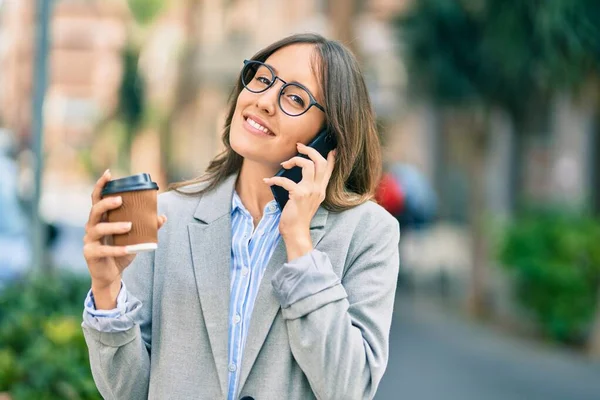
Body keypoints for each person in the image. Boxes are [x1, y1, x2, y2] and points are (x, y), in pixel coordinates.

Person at [81, 33, 400, 400]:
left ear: (329, 137)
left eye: (295, 97)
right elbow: (128, 393)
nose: (264, 101)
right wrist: (106, 290)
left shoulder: (368, 233)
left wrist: (299, 243)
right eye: (263, 79)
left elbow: (349, 389)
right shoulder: (168, 217)